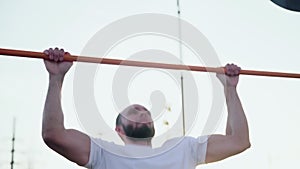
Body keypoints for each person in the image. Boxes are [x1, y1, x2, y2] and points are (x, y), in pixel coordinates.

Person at [42, 47, 250, 169]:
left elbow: (238, 141)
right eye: (134, 111)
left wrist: (229, 88)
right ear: (119, 129)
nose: (143, 112)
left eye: (146, 112)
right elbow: (53, 134)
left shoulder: (183, 150)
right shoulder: (103, 153)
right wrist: (56, 78)